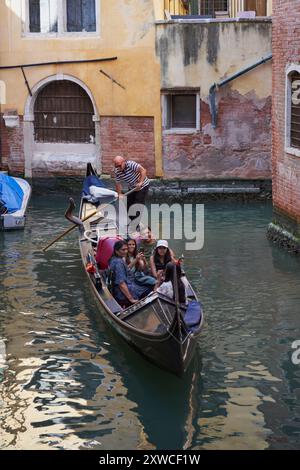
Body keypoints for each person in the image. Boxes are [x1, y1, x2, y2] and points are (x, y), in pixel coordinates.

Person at [109, 240, 151, 306]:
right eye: (123, 250)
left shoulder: (114, 259)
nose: (126, 251)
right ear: (116, 251)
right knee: (149, 290)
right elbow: (121, 283)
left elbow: (143, 268)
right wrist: (131, 299)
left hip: (128, 284)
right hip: (123, 292)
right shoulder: (118, 263)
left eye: (126, 249)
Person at [114, 156, 150, 232]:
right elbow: (118, 183)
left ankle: (135, 226)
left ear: (124, 162)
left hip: (143, 186)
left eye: (119, 165)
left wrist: (140, 182)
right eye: (116, 166)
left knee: (137, 206)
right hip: (132, 188)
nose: (118, 168)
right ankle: (130, 222)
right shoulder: (117, 171)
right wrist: (119, 194)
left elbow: (143, 171)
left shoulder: (131, 164)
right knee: (128, 205)